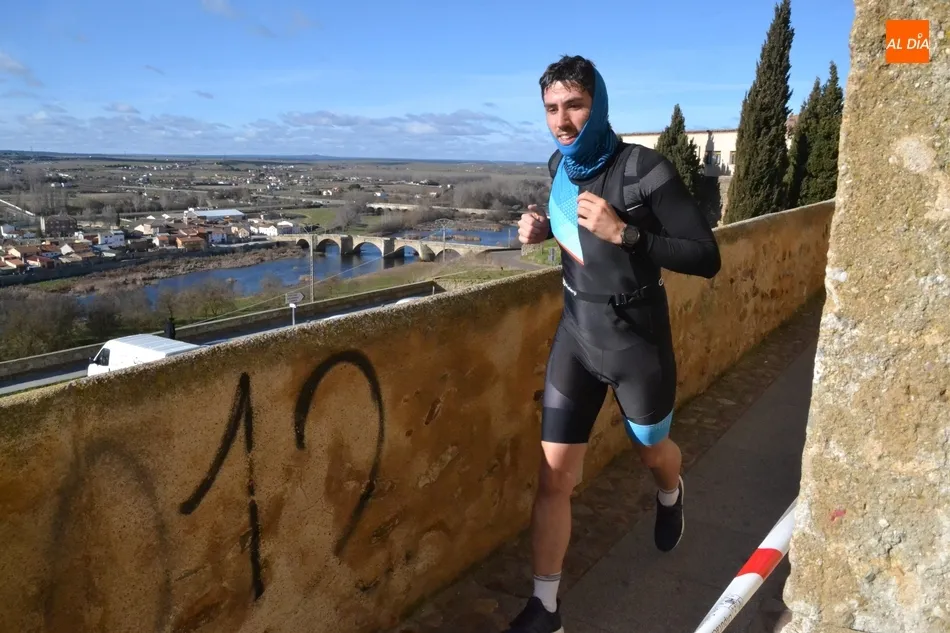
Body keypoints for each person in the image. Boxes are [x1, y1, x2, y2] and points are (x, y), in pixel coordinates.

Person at [505, 55, 721, 633]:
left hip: (636, 341)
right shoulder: (559, 165)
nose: (562, 121)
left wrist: (625, 233)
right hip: (577, 335)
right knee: (554, 477)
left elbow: (706, 256)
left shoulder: (645, 171)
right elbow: (577, 238)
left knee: (652, 451)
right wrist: (542, 229)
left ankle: (671, 492)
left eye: (574, 106)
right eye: (551, 109)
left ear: (597, 105)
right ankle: (546, 607)